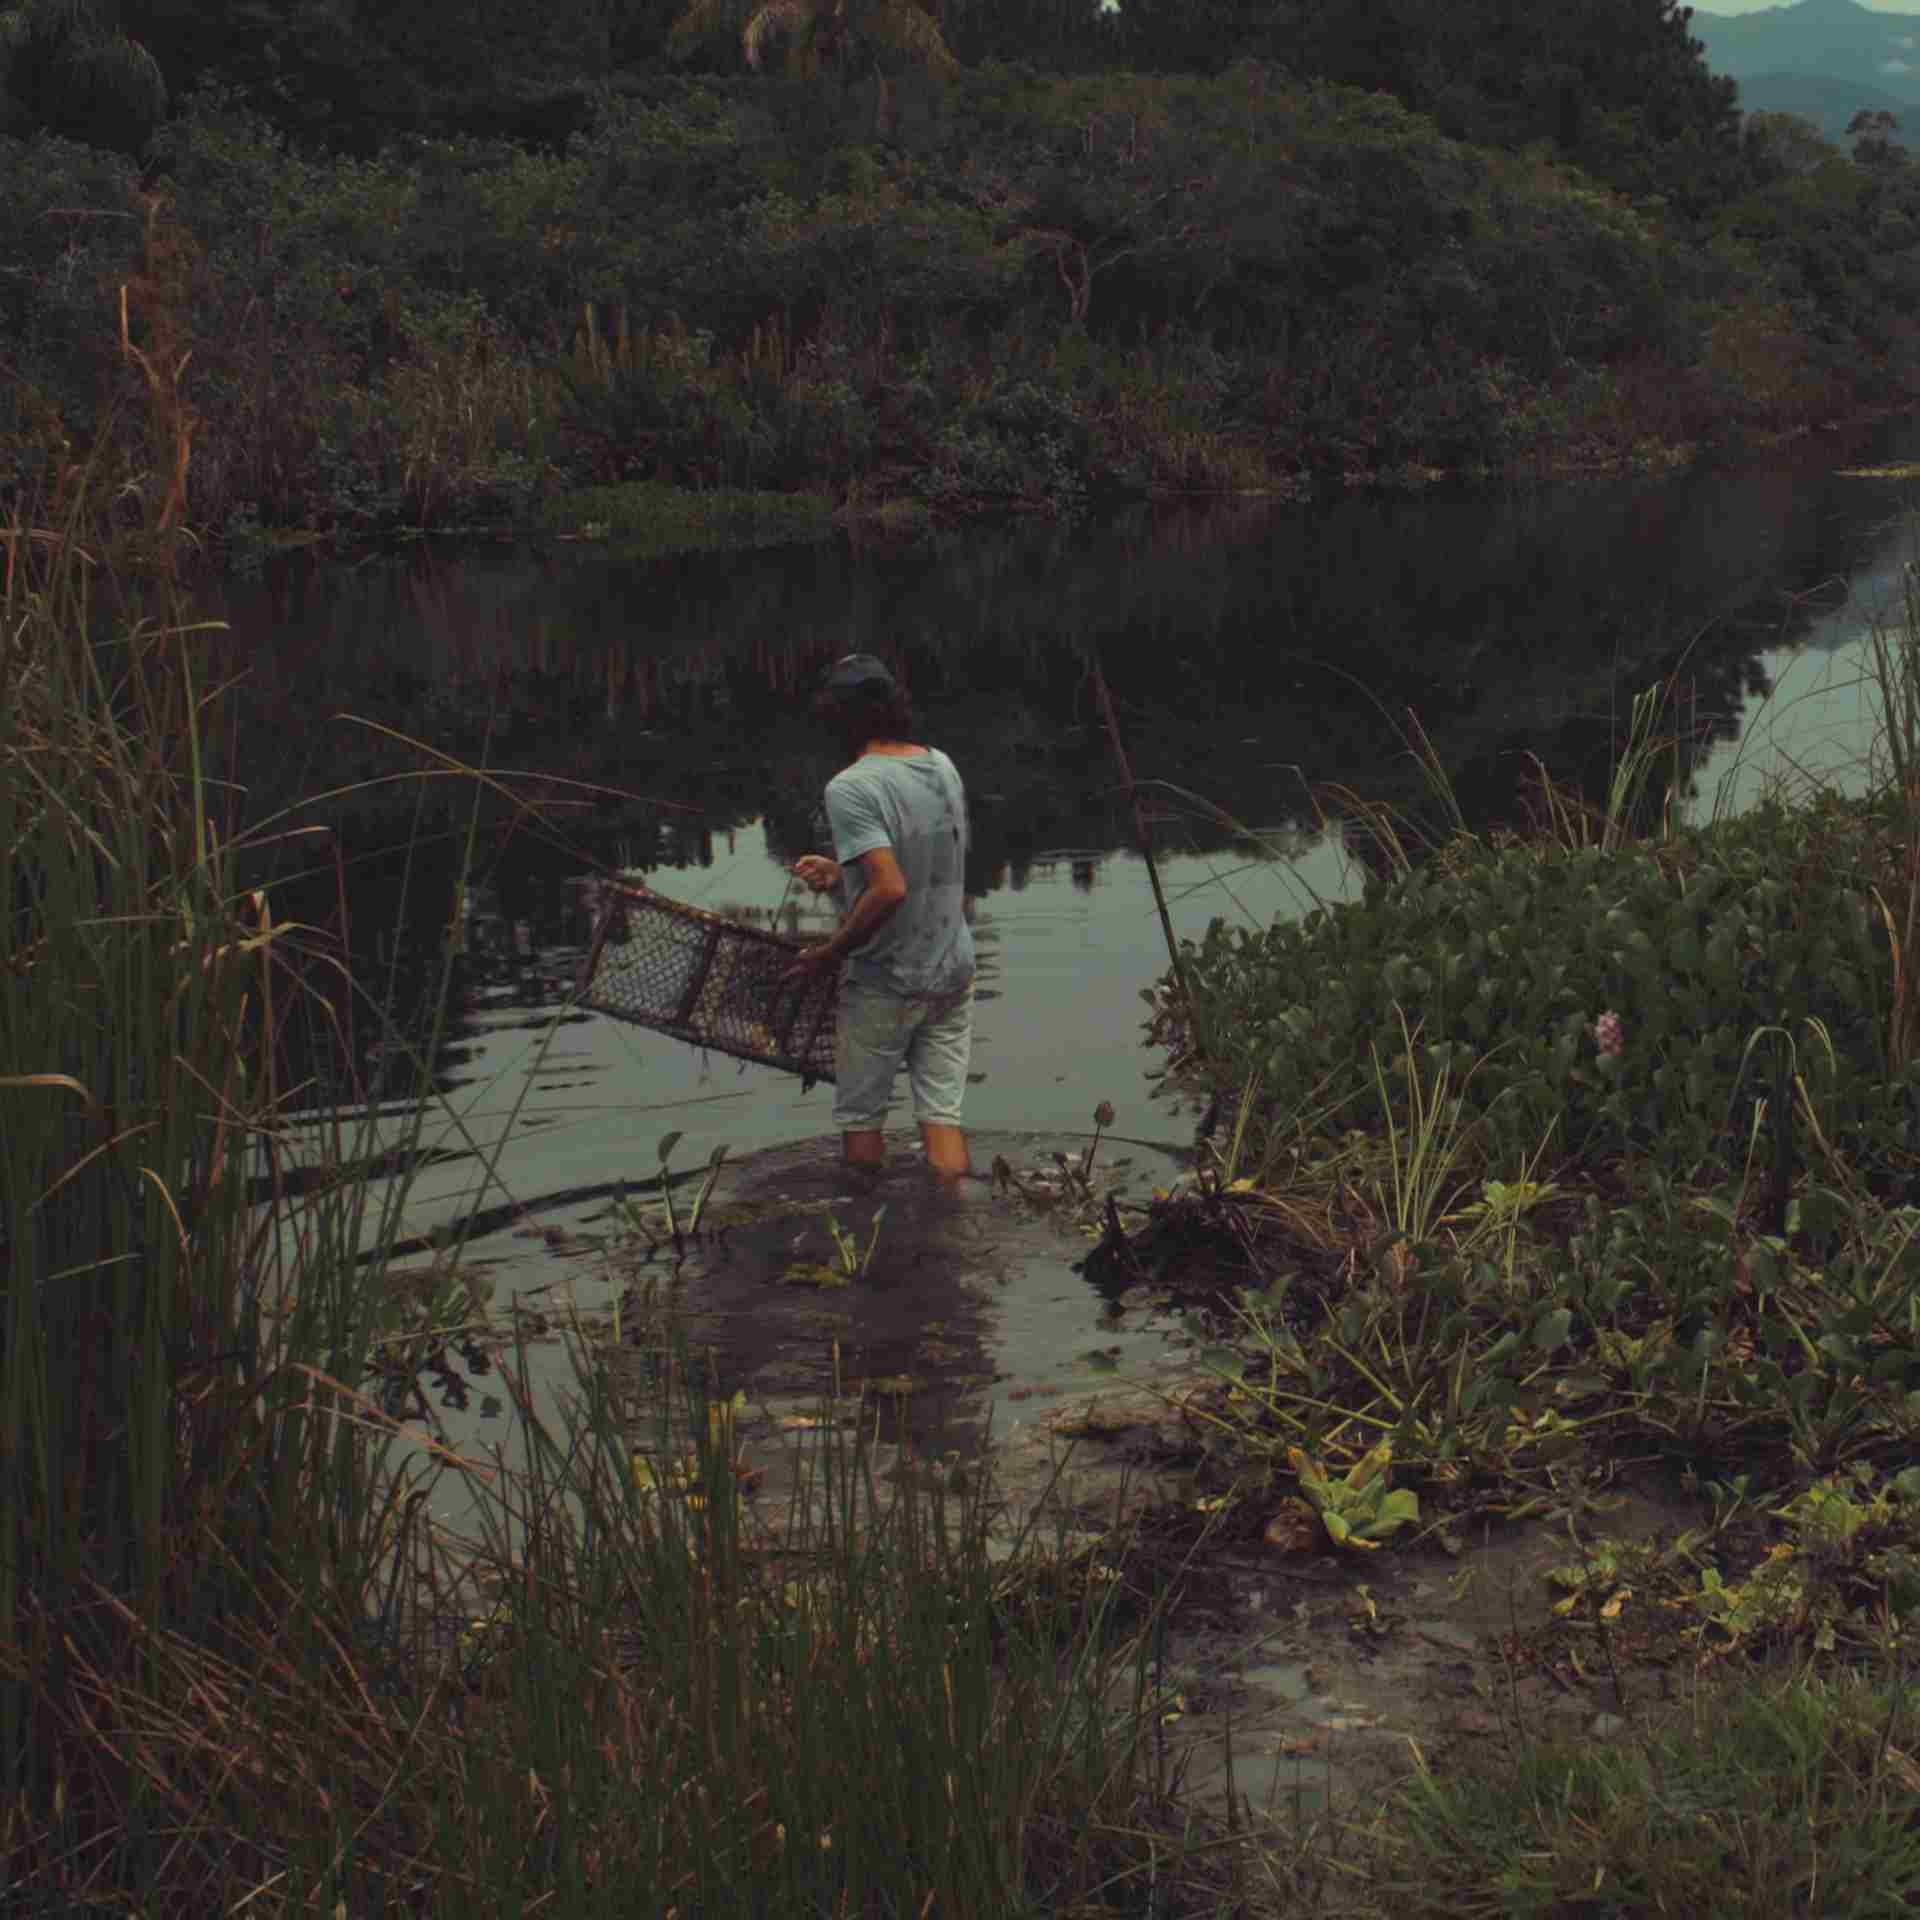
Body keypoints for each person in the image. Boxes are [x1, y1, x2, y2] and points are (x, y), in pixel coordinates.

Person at [782, 653, 974, 1176]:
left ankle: (863, 1221)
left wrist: (830, 952)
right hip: (953, 971)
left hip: (887, 980)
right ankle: (955, 1209)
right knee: (942, 1120)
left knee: (862, 1125)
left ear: (840, 717)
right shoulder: (941, 765)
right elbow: (932, 867)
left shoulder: (850, 786)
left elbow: (890, 888)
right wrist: (842, 876)